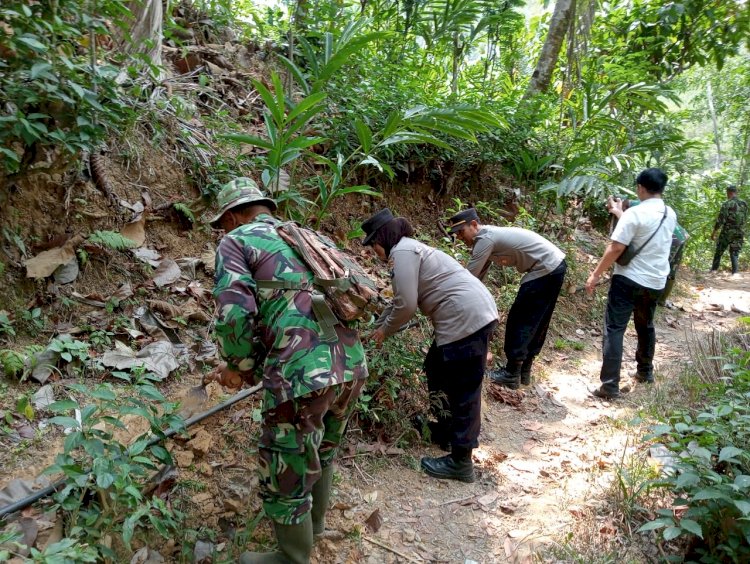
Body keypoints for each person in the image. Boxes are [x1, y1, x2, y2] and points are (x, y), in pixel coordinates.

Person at [210, 178, 368, 564]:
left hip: (300, 371)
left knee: (286, 462)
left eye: (223, 223)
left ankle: (291, 556)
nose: (224, 230)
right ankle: (312, 531)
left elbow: (234, 313)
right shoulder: (306, 235)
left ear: (232, 216)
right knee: (323, 449)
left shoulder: (237, 239)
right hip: (350, 362)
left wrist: (238, 365)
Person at [362, 208, 497, 483]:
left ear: (382, 239)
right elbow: (399, 300)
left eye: (373, 245)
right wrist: (379, 325)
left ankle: (461, 460)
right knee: (436, 366)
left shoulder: (403, 252)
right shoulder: (410, 249)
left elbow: (407, 306)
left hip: (465, 319)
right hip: (467, 315)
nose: (373, 252)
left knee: (463, 388)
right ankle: (446, 430)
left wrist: (383, 333)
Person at [447, 208, 566, 389]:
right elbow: (477, 278)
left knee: (520, 318)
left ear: (474, 225)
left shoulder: (484, 239)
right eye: (456, 234)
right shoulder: (489, 237)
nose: (460, 238)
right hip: (554, 265)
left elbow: (468, 277)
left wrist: (448, 299)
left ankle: (511, 373)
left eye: (461, 232)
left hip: (545, 267)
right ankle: (523, 370)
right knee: (537, 320)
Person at [585, 168, 677, 399]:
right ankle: (645, 372)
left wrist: (595, 274)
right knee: (645, 326)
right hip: (656, 282)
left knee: (615, 329)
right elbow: (645, 232)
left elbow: (617, 247)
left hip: (628, 279)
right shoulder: (669, 213)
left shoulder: (634, 214)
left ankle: (609, 386)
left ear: (640, 187)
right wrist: (619, 213)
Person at [608, 198, 689, 307]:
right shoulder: (638, 205)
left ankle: (661, 299)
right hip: (676, 236)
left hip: (674, 238)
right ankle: (656, 296)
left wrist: (618, 213)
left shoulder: (635, 208)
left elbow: (633, 226)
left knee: (668, 269)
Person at [710, 185, 748, 275]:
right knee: (734, 252)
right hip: (739, 231)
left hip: (727, 231)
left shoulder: (727, 203)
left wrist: (714, 232)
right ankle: (735, 273)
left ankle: (714, 270)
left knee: (719, 250)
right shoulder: (744, 204)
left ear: (728, 192)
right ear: (736, 192)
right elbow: (745, 218)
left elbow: (721, 219)